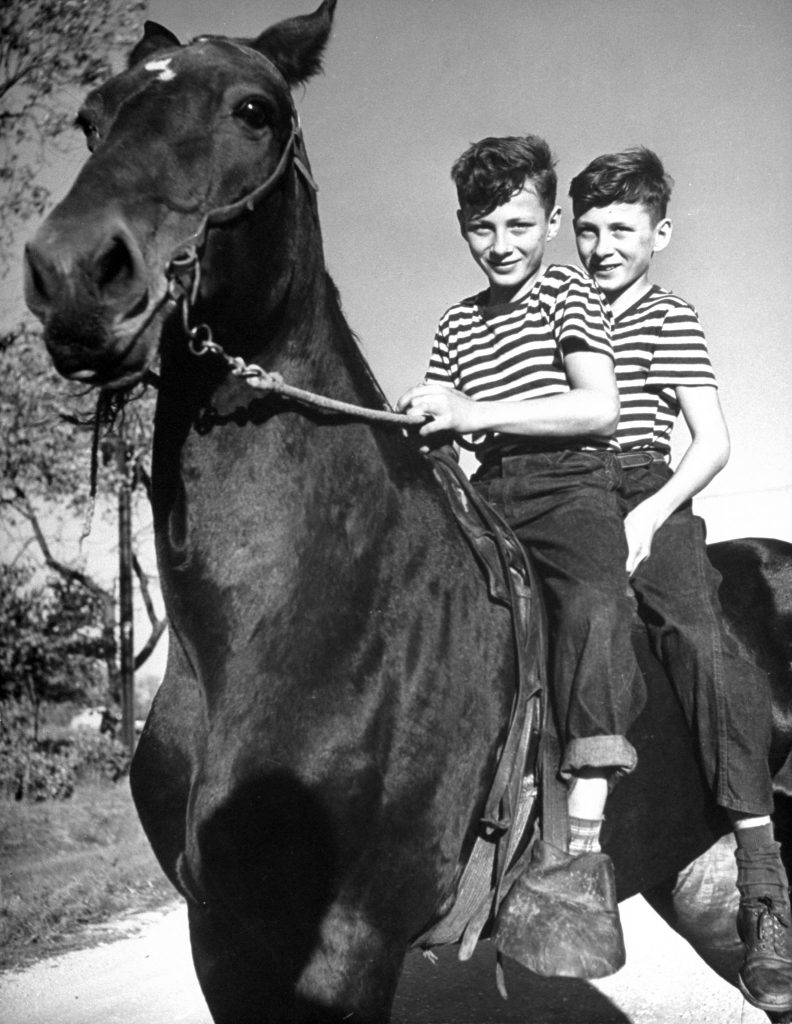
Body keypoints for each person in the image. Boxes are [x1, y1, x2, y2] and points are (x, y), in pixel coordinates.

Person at [396, 135, 644, 973]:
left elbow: (598, 408)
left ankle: (585, 819)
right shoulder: (455, 321)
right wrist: (427, 421)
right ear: (460, 225)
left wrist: (471, 408)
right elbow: (448, 422)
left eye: (518, 224)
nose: (500, 244)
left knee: (595, 601)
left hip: (571, 485)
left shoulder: (567, 291)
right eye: (480, 226)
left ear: (551, 221)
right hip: (487, 487)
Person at [569, 146, 792, 1014]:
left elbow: (713, 441)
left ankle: (764, 884)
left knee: (703, 642)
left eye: (620, 229)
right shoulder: (558, 309)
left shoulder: (670, 316)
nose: (600, 246)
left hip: (647, 495)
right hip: (564, 495)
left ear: (658, 232)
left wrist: (650, 514)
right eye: (586, 230)